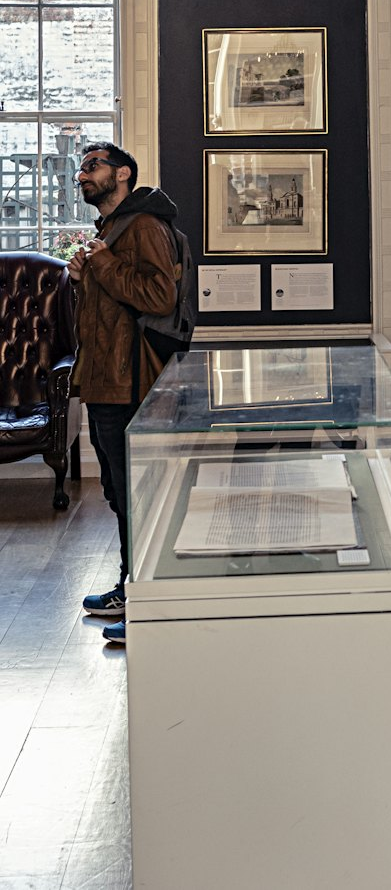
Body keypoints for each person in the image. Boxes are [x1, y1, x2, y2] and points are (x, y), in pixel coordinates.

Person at [70, 143, 181, 646]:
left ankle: (148, 601)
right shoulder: (111, 233)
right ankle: (130, 588)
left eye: (92, 165)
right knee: (119, 493)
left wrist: (104, 265)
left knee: (137, 496)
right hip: (103, 381)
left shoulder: (144, 227)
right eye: (81, 167)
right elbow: (109, 309)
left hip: (131, 382)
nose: (82, 174)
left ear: (123, 174)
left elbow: (160, 296)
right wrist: (83, 275)